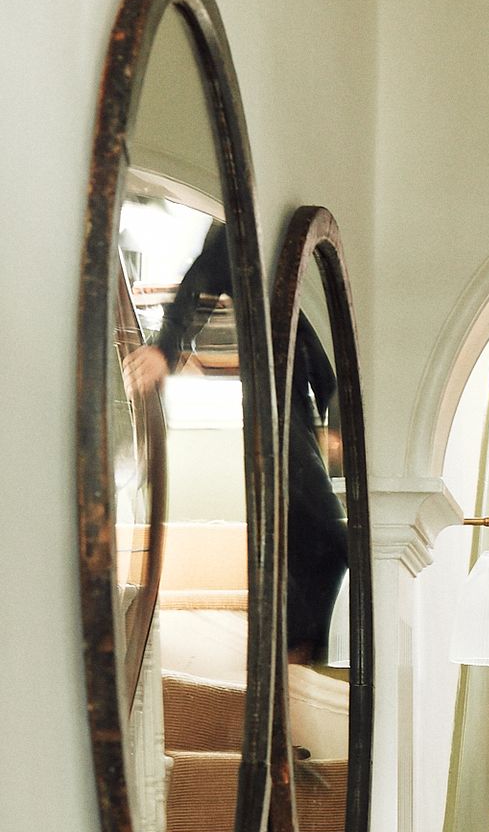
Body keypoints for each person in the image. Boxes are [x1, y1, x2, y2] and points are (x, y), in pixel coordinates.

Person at [125, 219, 349, 664]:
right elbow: (199, 280)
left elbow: (316, 335)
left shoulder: (305, 246)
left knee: (311, 534)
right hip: (272, 400)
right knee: (326, 534)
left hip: (297, 398)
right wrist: (166, 347)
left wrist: (336, 418)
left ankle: (296, 652)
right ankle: (293, 652)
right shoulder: (234, 234)